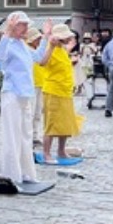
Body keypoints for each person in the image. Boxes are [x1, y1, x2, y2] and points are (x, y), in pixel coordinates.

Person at [0, 12, 51, 186]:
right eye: (23, 25)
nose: (27, 28)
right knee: (12, 135)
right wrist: (7, 33)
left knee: (25, 135)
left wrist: (46, 37)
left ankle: (26, 172)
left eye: (27, 25)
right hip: (12, 93)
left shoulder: (23, 45)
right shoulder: (8, 44)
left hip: (25, 94)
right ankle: (12, 174)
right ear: (14, 26)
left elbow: (39, 57)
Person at [39, 24, 84, 163]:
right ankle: (46, 153)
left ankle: (61, 151)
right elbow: (42, 62)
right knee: (51, 124)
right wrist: (51, 45)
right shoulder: (50, 49)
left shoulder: (62, 49)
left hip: (65, 91)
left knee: (65, 123)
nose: (67, 39)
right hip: (53, 91)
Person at [25, 28, 45, 146]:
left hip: (40, 83)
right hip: (31, 84)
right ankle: (29, 135)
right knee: (30, 112)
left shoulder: (38, 51)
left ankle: (35, 135)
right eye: (37, 39)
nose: (38, 41)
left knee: (38, 112)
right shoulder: (28, 51)